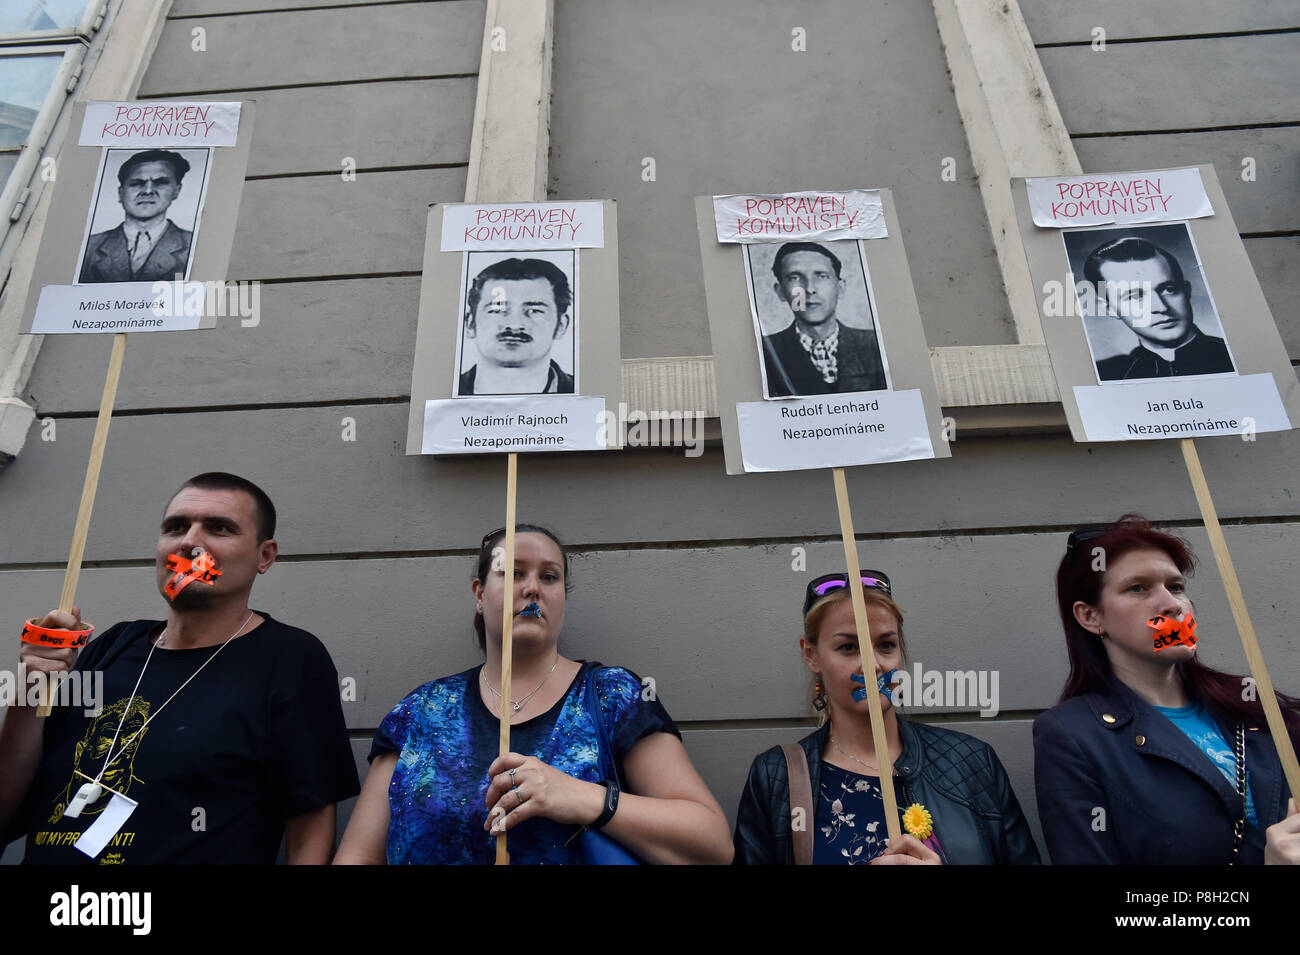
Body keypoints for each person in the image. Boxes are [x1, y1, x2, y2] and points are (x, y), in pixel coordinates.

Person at [0, 472, 359, 864]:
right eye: (176, 527)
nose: (190, 542)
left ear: (264, 556)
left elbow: (309, 832)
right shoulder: (112, 647)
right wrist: (32, 686)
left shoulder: (289, 659)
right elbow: (5, 809)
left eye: (219, 528)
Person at [335, 524, 732, 864]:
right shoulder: (422, 712)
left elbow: (713, 843)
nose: (531, 589)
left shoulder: (614, 696)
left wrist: (584, 799)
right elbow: (358, 855)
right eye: (512, 572)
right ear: (479, 594)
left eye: (549, 576)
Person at [1034, 515, 1300, 864]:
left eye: (1175, 587)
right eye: (1138, 588)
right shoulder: (1074, 737)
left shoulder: (1256, 707)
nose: (1172, 605)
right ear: (1090, 617)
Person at [733, 571, 1041, 865]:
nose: (872, 665)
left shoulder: (971, 763)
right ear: (811, 655)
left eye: (885, 645)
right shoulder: (776, 778)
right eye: (848, 647)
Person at [1083, 236, 1234, 381]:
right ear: (1110, 309)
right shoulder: (1105, 374)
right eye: (1136, 296)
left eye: (1168, 289)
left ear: (1186, 291)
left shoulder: (1235, 354)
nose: (1160, 307)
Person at [760, 241, 887, 397]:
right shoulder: (764, 352)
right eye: (794, 278)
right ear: (780, 291)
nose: (810, 289)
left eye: (821, 276)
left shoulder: (876, 344)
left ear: (840, 288)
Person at [457, 258, 576, 396]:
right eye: (497, 310)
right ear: (470, 324)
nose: (514, 325)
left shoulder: (587, 393)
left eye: (534, 310)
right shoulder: (443, 391)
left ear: (561, 325)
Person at [78, 149, 195, 284]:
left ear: (176, 191)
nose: (148, 191)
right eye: (136, 183)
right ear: (120, 193)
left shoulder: (195, 246)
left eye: (160, 182)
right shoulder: (88, 247)